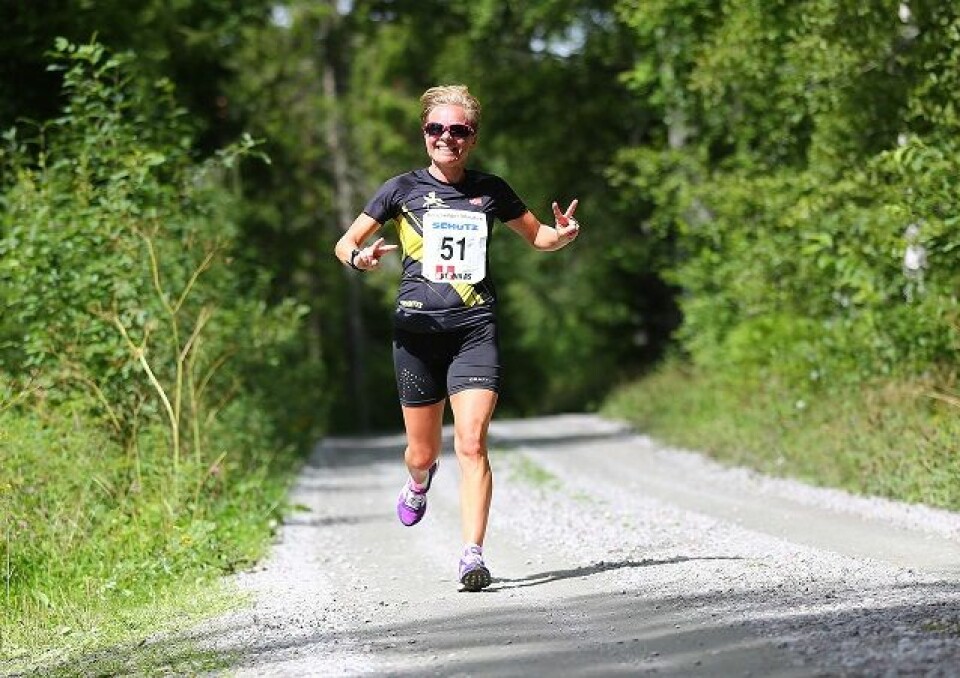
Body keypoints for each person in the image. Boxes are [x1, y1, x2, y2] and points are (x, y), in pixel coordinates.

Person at [334, 84, 580, 591]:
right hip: (417, 333)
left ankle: (472, 555)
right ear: (425, 135)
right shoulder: (399, 189)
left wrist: (565, 233)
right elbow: (345, 243)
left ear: (472, 138)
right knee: (422, 452)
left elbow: (539, 237)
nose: (446, 137)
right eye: (436, 129)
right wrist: (359, 258)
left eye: (458, 130)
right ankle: (420, 481)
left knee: (471, 443)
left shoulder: (490, 189)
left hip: (474, 328)